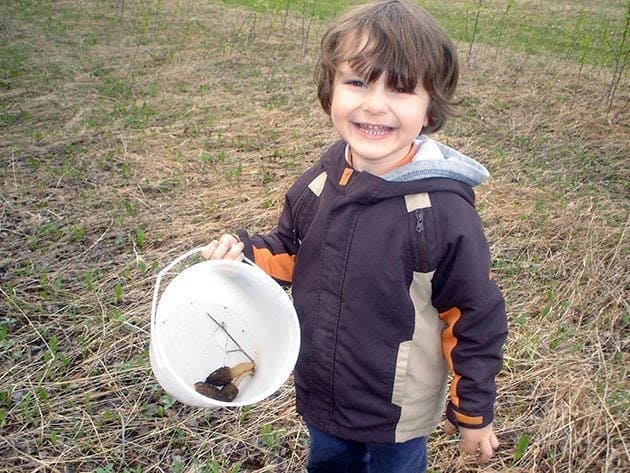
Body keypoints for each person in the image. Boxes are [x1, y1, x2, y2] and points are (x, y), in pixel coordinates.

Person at [202, 1, 507, 471]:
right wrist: (243, 255)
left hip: (396, 412)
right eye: (357, 81)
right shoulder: (320, 183)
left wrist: (473, 409)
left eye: (402, 89)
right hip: (323, 392)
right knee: (328, 464)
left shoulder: (440, 213)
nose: (375, 104)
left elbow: (472, 314)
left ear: (430, 108)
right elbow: (292, 252)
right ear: (330, 91)